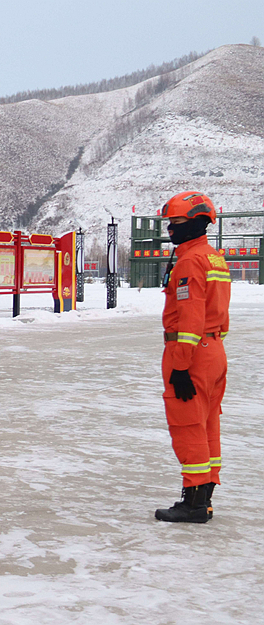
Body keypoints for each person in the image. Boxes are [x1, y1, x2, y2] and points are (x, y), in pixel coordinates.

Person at [155, 191, 230, 523]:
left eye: (178, 222)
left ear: (199, 222)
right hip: (214, 351)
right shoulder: (214, 257)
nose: (172, 228)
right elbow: (220, 316)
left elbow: (190, 318)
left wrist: (182, 365)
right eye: (170, 222)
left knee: (187, 426)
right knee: (208, 424)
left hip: (190, 353)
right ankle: (206, 496)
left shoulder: (189, 261)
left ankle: (193, 502)